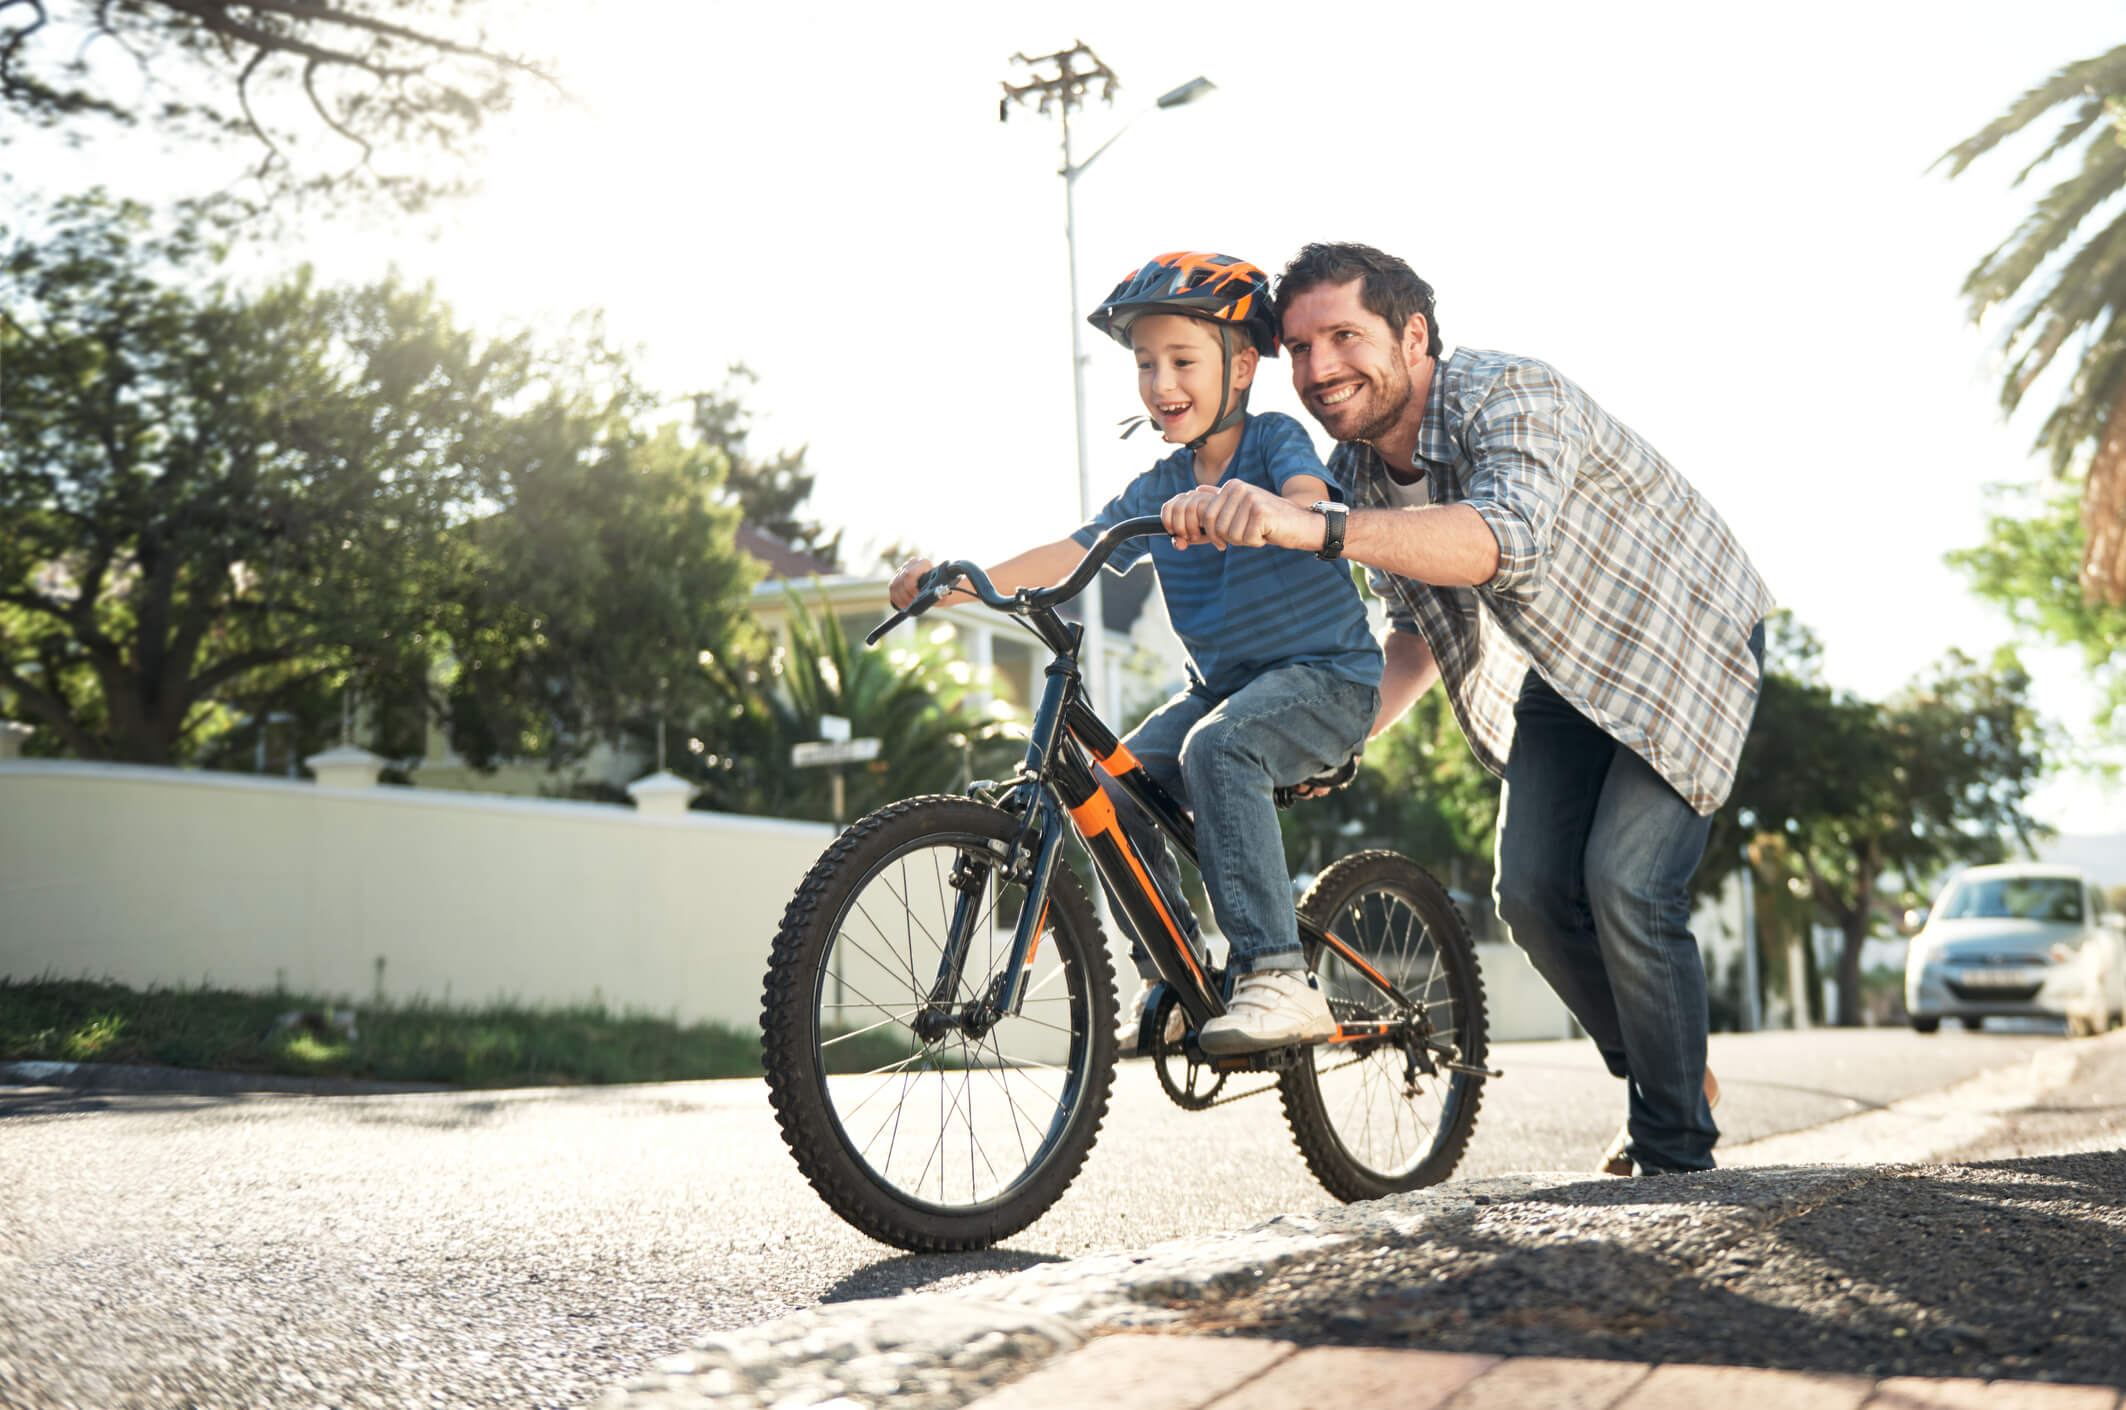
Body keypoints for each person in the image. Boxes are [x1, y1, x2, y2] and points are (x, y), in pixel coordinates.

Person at [1163, 242, 1771, 1173]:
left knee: (1625, 883)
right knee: (1528, 895)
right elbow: (1409, 635)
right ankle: (1670, 1074)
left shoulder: (1509, 392)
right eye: (1299, 345)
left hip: (1679, 641)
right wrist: (1331, 736)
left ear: (1413, 334)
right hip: (1567, 670)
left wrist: (1309, 525)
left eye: (1344, 336)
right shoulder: (1360, 470)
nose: (1320, 367)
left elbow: (1503, 542)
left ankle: (1675, 1149)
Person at [888, 251, 1382, 1054]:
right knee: (1113, 791)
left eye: (1182, 360)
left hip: (1327, 679)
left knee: (1218, 747)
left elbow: (1308, 499)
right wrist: (959, 584)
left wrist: (1261, 507)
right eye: (1146, 364)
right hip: (1226, 687)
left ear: (1243, 365)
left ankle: (1278, 975)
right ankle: (1177, 976)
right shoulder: (1158, 486)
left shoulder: (1273, 440)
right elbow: (1077, 548)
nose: (1160, 383)